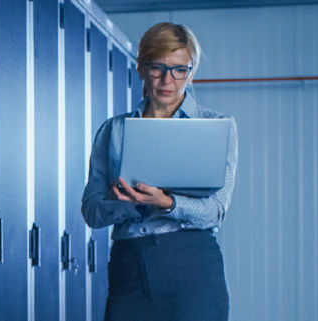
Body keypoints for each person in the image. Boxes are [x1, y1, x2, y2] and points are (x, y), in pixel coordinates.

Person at [80, 22, 237, 321]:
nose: (168, 80)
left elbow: (216, 210)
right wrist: (125, 205)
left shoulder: (217, 127)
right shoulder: (113, 131)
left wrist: (167, 203)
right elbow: (91, 212)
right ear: (141, 68)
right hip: (130, 266)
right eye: (158, 68)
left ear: (191, 72)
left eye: (180, 69)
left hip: (193, 266)